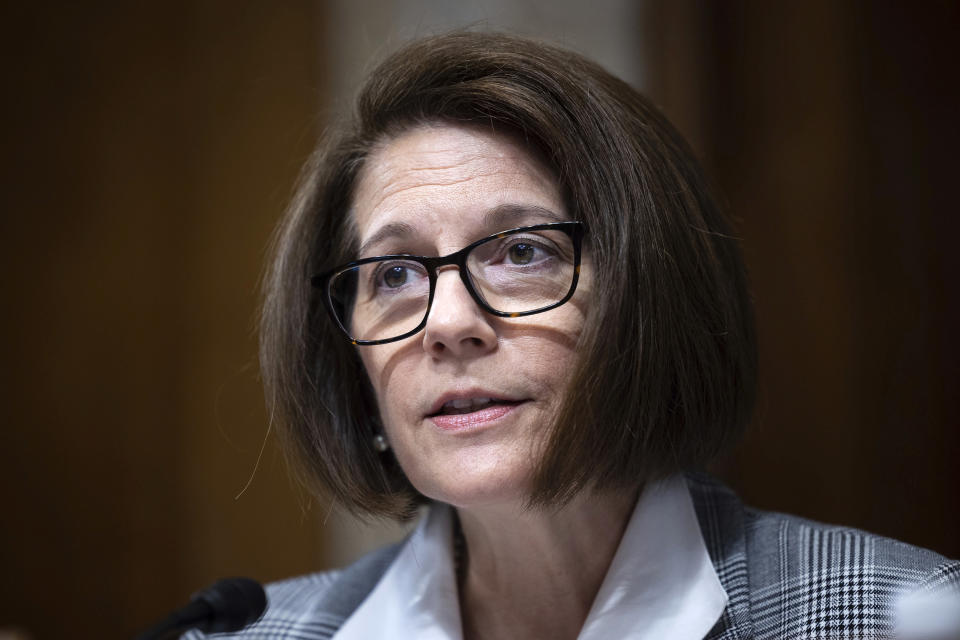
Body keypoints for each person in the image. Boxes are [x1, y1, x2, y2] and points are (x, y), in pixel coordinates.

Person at [187, 32, 960, 640]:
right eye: (393, 274)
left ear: (649, 295)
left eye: (523, 253)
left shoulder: (897, 617)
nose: (451, 324)